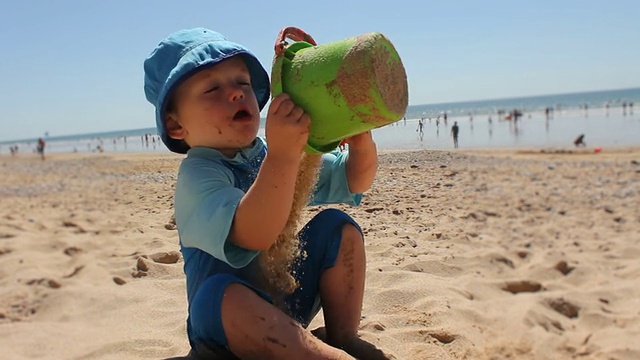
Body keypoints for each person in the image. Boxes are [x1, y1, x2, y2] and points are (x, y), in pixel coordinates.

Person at [143, 28, 384, 359]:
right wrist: (283, 157)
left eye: (242, 82)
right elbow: (253, 233)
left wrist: (359, 139)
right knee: (220, 293)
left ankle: (343, 336)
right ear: (176, 126)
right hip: (226, 325)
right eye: (212, 87)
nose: (235, 93)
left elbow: (354, 180)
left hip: (284, 303)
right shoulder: (198, 176)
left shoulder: (268, 152)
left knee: (337, 227)